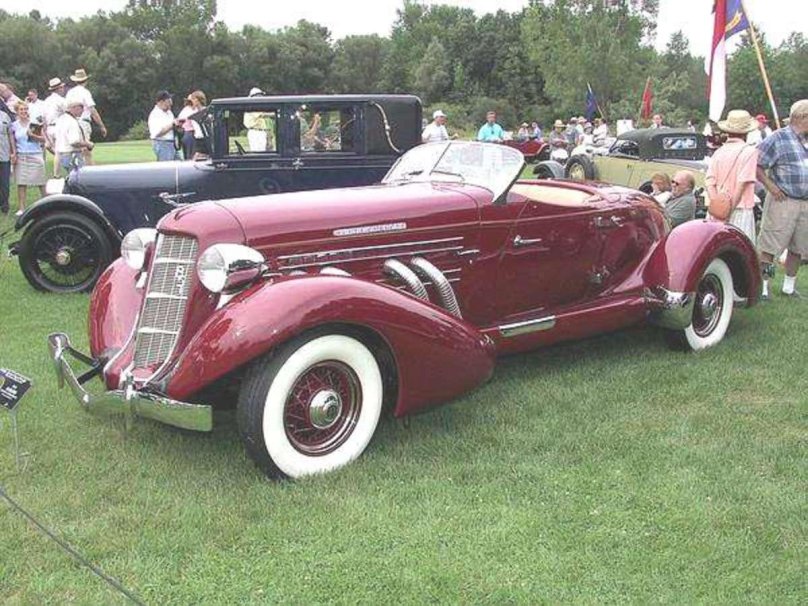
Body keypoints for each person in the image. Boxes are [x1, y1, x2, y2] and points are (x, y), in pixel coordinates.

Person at [756, 99, 808, 299]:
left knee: (798, 247)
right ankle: (763, 286)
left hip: (805, 202)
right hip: (783, 201)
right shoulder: (778, 138)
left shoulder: (806, 140)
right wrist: (771, 186)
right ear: (803, 117)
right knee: (770, 245)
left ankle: (789, 287)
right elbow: (756, 164)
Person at [705, 110, 759, 243]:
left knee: (716, 247)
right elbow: (742, 184)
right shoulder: (750, 152)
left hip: (717, 210)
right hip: (739, 209)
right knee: (740, 248)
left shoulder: (718, 152)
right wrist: (728, 210)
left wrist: (718, 206)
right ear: (747, 132)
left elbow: (710, 182)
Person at [11, 101, 47, 215]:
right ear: (17, 112)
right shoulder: (14, 125)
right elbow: (13, 141)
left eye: (26, 109)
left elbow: (43, 139)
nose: (24, 111)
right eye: (21, 109)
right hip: (22, 155)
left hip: (35, 154)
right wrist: (14, 153)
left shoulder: (34, 123)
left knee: (41, 181)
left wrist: (33, 135)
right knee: (21, 183)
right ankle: (22, 208)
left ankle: (47, 204)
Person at [64, 68, 107, 164]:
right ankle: (89, 170)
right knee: (85, 149)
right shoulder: (85, 92)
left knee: (76, 150)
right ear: (86, 80)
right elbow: (92, 110)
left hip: (71, 122)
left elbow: (66, 108)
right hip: (83, 122)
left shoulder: (70, 92)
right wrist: (101, 126)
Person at [54, 100, 93, 174]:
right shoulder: (72, 122)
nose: (82, 112)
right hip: (72, 155)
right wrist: (88, 144)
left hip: (62, 154)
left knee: (71, 176)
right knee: (79, 177)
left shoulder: (60, 120)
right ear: (75, 108)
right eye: (81, 109)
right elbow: (74, 142)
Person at [42, 78, 67, 175]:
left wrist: (45, 133)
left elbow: (43, 119)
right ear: (59, 88)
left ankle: (63, 168)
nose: (63, 89)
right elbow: (68, 113)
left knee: (58, 151)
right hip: (58, 127)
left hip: (49, 128)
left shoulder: (46, 101)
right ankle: (56, 174)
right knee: (59, 151)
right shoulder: (61, 100)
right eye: (62, 87)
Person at [148, 90, 180, 161]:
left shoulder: (169, 113)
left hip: (172, 143)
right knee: (167, 166)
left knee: (178, 164)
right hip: (162, 143)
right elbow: (158, 133)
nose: (171, 103)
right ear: (161, 102)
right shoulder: (155, 115)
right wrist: (172, 124)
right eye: (168, 101)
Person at [243, 87, 274, 152]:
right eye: (259, 95)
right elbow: (262, 115)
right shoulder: (251, 107)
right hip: (255, 132)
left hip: (260, 132)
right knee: (258, 152)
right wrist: (275, 114)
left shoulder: (257, 107)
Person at [0, 105, 15, 215]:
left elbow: (10, 135)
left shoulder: (5, 116)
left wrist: (13, 151)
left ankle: (5, 206)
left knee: (5, 182)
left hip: (4, 155)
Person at [185, 90, 208, 159]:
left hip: (205, 139)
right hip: (197, 140)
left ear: (198, 100)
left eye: (193, 99)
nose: (191, 101)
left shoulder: (206, 112)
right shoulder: (192, 112)